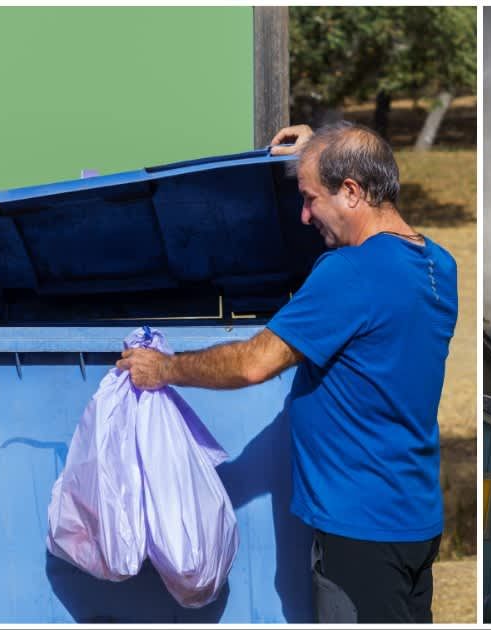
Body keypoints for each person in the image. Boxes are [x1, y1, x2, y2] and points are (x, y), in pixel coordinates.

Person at [117, 121, 458, 623]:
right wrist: (323, 146)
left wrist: (163, 368)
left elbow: (252, 363)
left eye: (310, 198)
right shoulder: (439, 266)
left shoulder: (351, 273)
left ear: (351, 191)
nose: (303, 215)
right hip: (414, 517)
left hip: (359, 529)